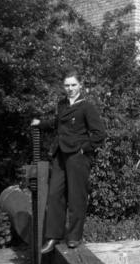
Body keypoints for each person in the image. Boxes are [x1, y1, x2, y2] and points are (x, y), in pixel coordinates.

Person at [31, 68, 106, 253]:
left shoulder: (87, 106)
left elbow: (99, 134)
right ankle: (53, 237)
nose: (70, 88)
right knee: (55, 195)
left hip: (77, 157)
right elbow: (58, 123)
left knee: (76, 197)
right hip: (61, 155)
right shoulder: (62, 104)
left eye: (73, 85)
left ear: (80, 85)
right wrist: (40, 124)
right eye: (67, 85)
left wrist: (83, 148)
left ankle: (74, 237)